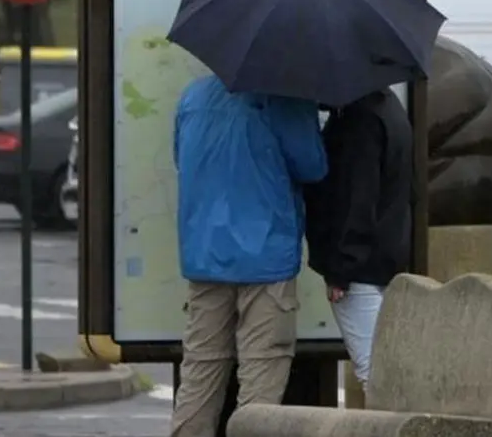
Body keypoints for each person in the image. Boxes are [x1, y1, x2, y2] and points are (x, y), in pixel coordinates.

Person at [171, 75, 328, 437]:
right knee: (261, 379)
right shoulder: (286, 97)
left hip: (204, 254)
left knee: (200, 371)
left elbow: (181, 157)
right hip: (265, 257)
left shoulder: (193, 95)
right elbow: (313, 166)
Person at [304, 88, 413, 391]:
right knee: (386, 370)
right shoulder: (389, 108)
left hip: (358, 270)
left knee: (374, 376)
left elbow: (357, 199)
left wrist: (341, 269)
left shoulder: (358, 121)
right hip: (384, 258)